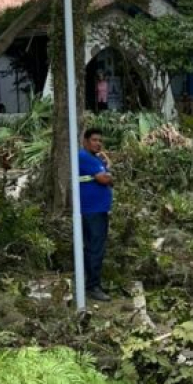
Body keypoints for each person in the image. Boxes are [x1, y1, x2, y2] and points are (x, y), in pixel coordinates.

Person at [78, 128, 113, 302]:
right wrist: (109, 176)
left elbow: (105, 173)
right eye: (94, 140)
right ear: (85, 141)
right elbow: (104, 179)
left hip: (98, 210)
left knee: (95, 247)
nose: (98, 143)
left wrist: (107, 168)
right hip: (92, 211)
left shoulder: (94, 158)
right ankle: (93, 286)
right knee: (94, 248)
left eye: (100, 140)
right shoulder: (84, 157)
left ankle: (94, 283)